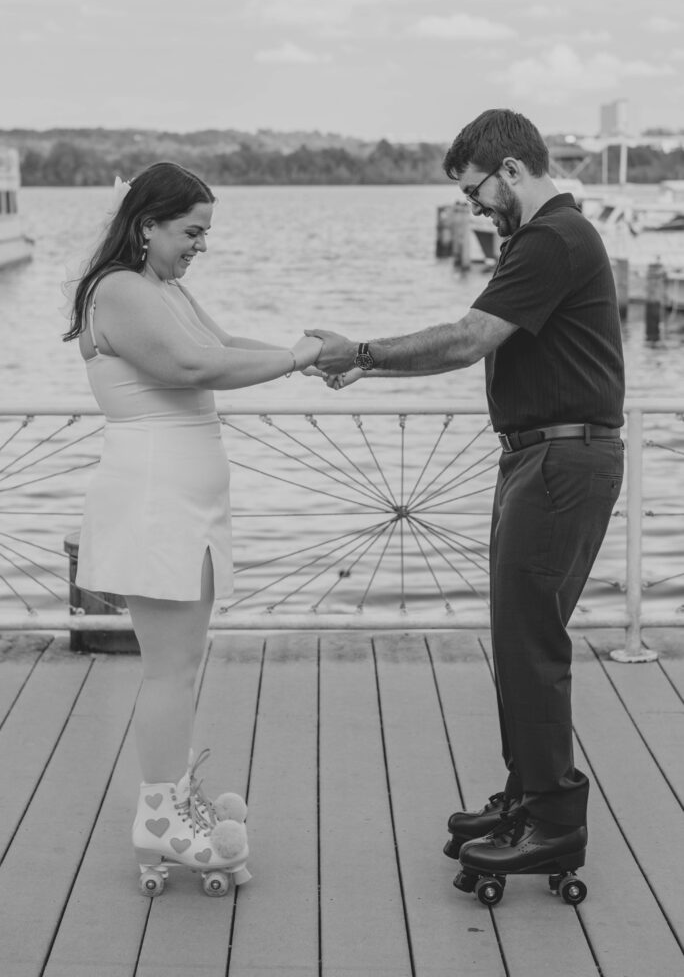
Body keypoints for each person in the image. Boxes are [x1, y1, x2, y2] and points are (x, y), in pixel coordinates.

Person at [307, 109, 625, 889]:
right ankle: (528, 799)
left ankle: (553, 823)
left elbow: (466, 338)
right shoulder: (550, 236)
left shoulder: (553, 237)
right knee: (518, 642)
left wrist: (364, 353)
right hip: (540, 457)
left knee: (530, 647)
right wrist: (371, 364)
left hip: (560, 459)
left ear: (511, 170)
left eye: (478, 192)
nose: (475, 208)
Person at [63, 162, 322, 895]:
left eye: (205, 234)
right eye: (192, 232)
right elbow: (187, 365)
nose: (200, 246)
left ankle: (174, 800)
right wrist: (298, 360)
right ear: (147, 225)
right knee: (168, 669)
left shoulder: (165, 289)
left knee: (184, 662)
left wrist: (301, 355)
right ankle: (160, 816)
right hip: (154, 501)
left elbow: (223, 342)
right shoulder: (117, 290)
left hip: (187, 503)